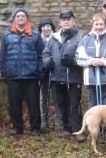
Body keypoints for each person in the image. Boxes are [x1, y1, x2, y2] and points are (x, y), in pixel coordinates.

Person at [0, 8, 44, 136]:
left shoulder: (35, 35)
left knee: (33, 104)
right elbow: (2, 56)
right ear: (14, 19)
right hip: (13, 76)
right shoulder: (7, 35)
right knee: (14, 104)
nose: (20, 18)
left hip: (31, 76)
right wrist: (4, 72)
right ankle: (17, 128)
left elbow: (41, 55)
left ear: (27, 18)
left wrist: (40, 70)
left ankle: (35, 128)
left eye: (22, 16)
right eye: (18, 16)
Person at [76, 13, 106, 139]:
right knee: (93, 107)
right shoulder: (85, 39)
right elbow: (79, 58)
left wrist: (104, 62)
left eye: (101, 24)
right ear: (93, 24)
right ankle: (93, 131)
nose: (99, 27)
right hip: (91, 79)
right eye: (97, 24)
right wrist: (91, 61)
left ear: (105, 25)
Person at [42, 11, 85, 142]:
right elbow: (45, 53)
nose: (66, 22)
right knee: (60, 104)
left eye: (69, 19)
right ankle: (64, 128)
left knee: (74, 104)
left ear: (73, 21)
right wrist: (47, 61)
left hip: (73, 76)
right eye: (63, 20)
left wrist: (74, 62)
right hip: (57, 76)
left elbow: (84, 55)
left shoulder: (80, 37)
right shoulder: (54, 37)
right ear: (60, 22)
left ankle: (77, 130)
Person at [37, 17, 57, 132]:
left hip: (55, 71)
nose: (46, 28)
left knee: (56, 97)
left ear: (52, 27)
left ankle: (58, 121)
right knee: (43, 97)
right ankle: (44, 121)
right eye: (44, 26)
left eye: (48, 26)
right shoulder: (38, 39)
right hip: (42, 72)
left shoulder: (56, 38)